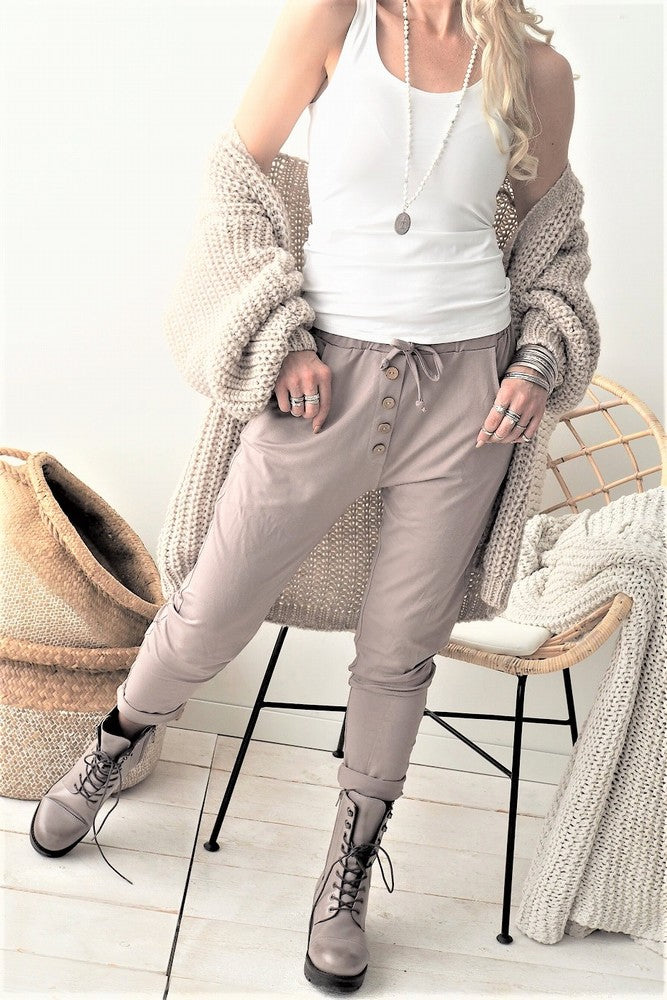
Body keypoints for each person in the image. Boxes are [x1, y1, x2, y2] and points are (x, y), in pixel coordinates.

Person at [30, 0, 576, 992]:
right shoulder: (334, 21)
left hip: (468, 396)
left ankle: (347, 870)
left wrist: (539, 358)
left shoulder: (534, 69)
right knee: (211, 606)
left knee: (399, 650)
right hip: (324, 378)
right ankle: (115, 743)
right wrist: (278, 338)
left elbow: (554, 243)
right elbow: (233, 183)